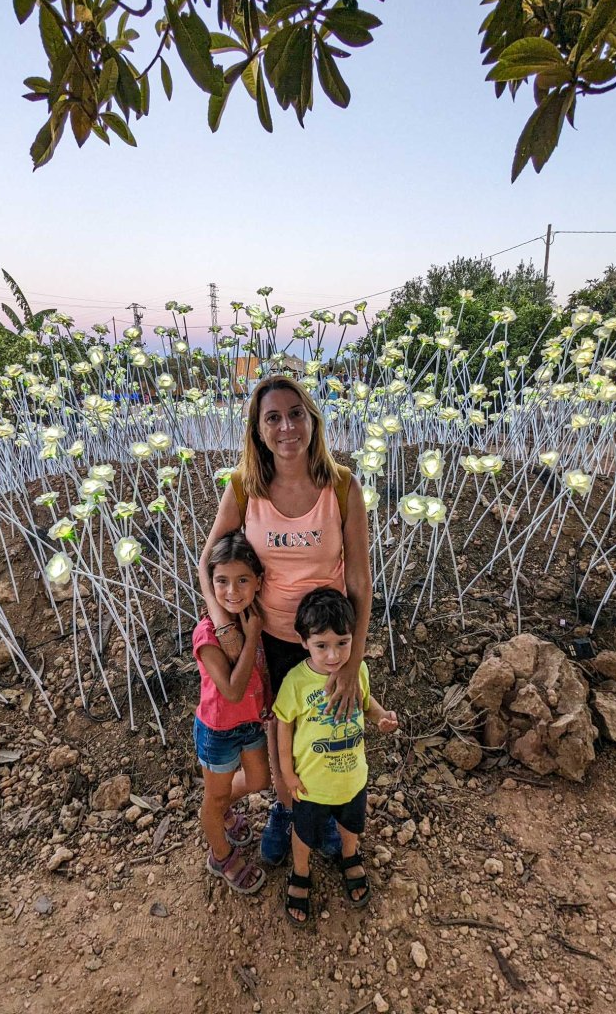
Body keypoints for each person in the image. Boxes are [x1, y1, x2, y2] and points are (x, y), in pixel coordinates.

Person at [199, 375, 373, 867]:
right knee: (283, 727)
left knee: (330, 725)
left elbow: (360, 583)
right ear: (258, 429)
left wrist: (352, 661)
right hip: (270, 637)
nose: (286, 427)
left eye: (295, 414)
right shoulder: (243, 487)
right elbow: (207, 561)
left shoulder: (342, 486)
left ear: (312, 420)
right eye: (272, 417)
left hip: (327, 641)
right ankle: (288, 808)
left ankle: (330, 809)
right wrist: (227, 627)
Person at [274, 588, 398, 924]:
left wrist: (381, 717)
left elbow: (366, 703)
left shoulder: (357, 671)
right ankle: (301, 871)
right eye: (322, 645)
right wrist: (287, 772)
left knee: (350, 823)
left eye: (343, 643)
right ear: (304, 642)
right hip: (311, 784)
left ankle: (349, 855)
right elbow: (283, 725)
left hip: (352, 776)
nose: (333, 655)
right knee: (304, 831)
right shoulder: (297, 682)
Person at [193, 531, 271, 894]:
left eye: (242, 580)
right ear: (211, 584)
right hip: (217, 730)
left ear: (258, 582)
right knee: (215, 796)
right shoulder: (207, 634)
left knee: (259, 781)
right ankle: (221, 856)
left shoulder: (253, 618)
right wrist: (252, 636)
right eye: (221, 581)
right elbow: (233, 690)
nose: (232, 591)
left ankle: (222, 811)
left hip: (250, 722)